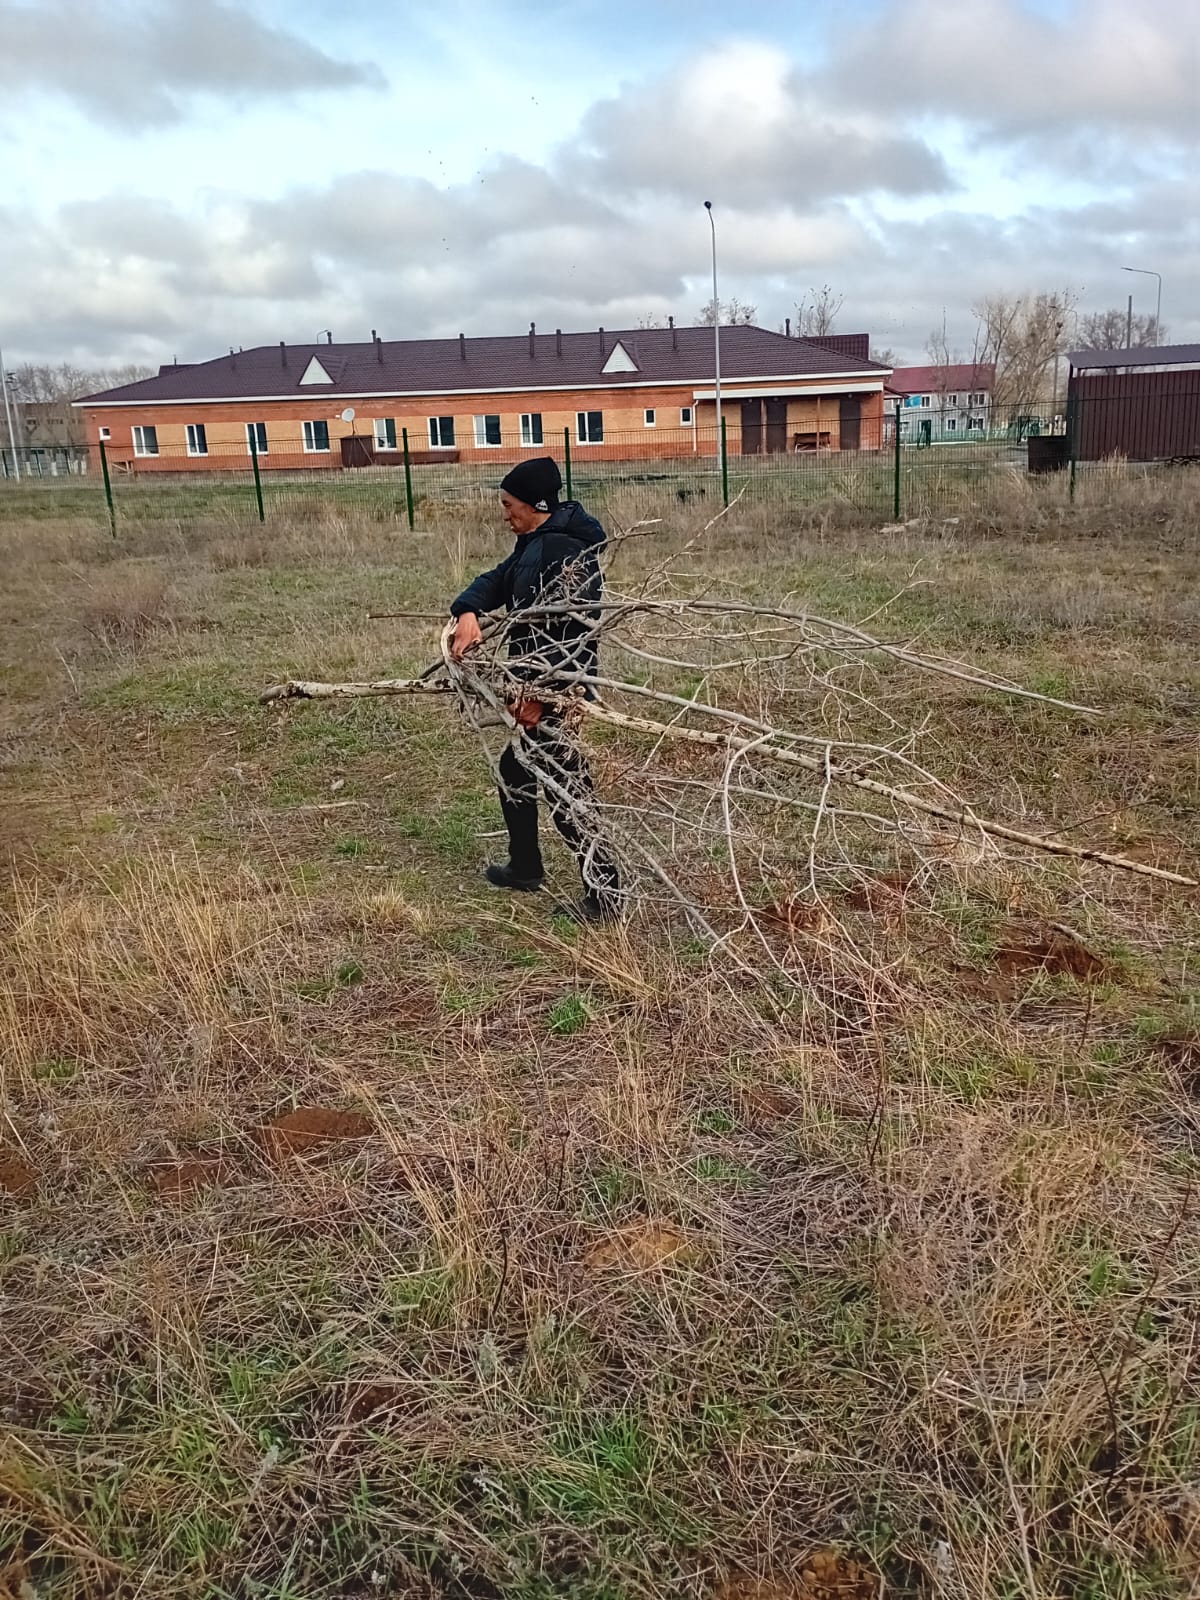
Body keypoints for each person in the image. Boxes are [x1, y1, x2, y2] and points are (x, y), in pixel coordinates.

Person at [449, 456, 622, 923]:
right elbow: (497, 581)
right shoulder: (534, 544)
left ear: (534, 505)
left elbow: (575, 634)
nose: (504, 513)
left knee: (567, 791)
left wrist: (543, 697)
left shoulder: (564, 552)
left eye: (509, 505)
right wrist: (468, 611)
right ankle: (526, 867)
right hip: (536, 686)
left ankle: (605, 894)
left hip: (554, 691)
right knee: (516, 773)